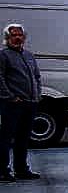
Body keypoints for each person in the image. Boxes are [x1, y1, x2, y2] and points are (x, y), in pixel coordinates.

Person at [0, 22, 43, 182]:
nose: (17, 38)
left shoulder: (29, 56)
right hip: (12, 104)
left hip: (30, 103)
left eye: (20, 35)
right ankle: (3, 170)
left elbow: (37, 77)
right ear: (7, 38)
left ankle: (21, 169)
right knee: (6, 138)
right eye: (14, 35)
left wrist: (37, 95)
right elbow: (0, 78)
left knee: (23, 138)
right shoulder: (3, 56)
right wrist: (10, 96)